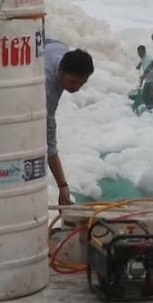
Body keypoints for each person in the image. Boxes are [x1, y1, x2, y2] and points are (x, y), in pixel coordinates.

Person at [44, 39, 95, 206]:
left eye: (82, 83)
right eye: (73, 82)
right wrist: (62, 186)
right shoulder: (47, 91)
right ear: (60, 71)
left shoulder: (61, 49)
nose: (76, 88)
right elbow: (49, 144)